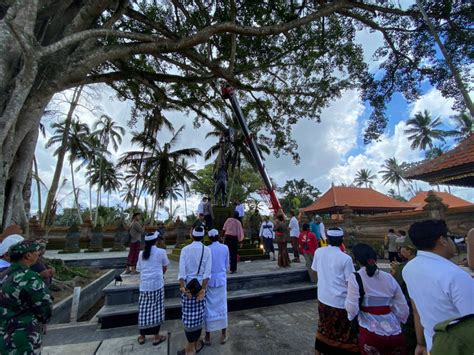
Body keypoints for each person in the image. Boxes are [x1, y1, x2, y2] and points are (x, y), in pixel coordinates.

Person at [402, 219, 474, 354]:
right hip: (460, 348)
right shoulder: (455, 275)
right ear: (443, 240)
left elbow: (416, 309)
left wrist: (420, 343)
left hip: (434, 344)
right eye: (450, 238)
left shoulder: (410, 268)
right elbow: (470, 324)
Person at [345, 243, 409, 355]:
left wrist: (350, 317)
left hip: (370, 329)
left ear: (357, 260)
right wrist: (399, 320)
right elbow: (402, 306)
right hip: (394, 330)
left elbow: (352, 308)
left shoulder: (355, 278)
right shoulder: (388, 277)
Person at [311, 227, 358, 355]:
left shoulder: (319, 252)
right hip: (340, 301)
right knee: (343, 333)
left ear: (327, 238)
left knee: (324, 327)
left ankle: (319, 350)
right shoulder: (345, 258)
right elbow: (351, 282)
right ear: (342, 240)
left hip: (323, 297)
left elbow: (314, 271)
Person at [0, 241, 53, 354]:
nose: (38, 254)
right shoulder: (29, 278)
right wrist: (43, 320)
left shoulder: (4, 275)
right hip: (22, 336)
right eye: (36, 251)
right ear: (28, 255)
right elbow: (44, 308)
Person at [178, 227, 212, 355]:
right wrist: (203, 289)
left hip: (187, 287)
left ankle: (190, 348)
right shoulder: (207, 250)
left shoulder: (185, 250)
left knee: (188, 317)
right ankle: (194, 345)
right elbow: (207, 273)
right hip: (200, 288)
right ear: (203, 236)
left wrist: (182, 287)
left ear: (192, 235)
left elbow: (181, 271)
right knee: (198, 317)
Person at [136, 231, 169, 346]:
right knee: (156, 310)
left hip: (144, 286)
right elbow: (165, 267)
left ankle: (142, 336)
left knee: (144, 310)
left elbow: (139, 269)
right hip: (157, 284)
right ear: (156, 241)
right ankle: (156, 337)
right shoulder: (161, 252)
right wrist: (160, 274)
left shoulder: (141, 254)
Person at [391, 236, 418, 353]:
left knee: (410, 342)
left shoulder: (402, 268)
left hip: (409, 311)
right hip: (426, 310)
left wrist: (394, 274)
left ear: (409, 250)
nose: (400, 250)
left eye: (402, 248)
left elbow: (394, 288)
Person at [204, 229, 230, 345]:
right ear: (219, 236)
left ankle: (208, 336)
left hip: (209, 281)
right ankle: (223, 334)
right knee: (222, 305)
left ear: (209, 238)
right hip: (221, 279)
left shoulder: (206, 249)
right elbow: (226, 265)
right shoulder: (225, 248)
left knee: (208, 307)